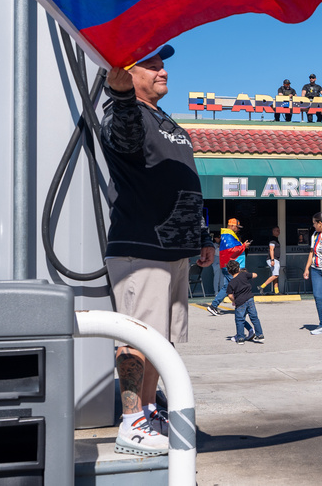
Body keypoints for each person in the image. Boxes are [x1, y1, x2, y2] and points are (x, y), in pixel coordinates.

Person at [101, 44, 214, 456]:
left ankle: (148, 411)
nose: (162, 70)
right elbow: (125, 137)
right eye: (150, 65)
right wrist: (121, 96)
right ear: (127, 75)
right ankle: (131, 421)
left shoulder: (169, 122)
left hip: (175, 251)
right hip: (141, 247)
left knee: (161, 342)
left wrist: (202, 236)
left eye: (162, 64)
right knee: (137, 338)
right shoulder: (123, 113)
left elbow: (186, 181)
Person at [207, 219, 250, 315]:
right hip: (230, 266)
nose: (238, 229)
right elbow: (232, 250)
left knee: (227, 287)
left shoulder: (228, 235)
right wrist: (244, 246)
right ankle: (242, 307)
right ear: (232, 226)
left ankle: (213, 306)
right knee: (238, 286)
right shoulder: (228, 236)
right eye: (237, 227)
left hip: (227, 265)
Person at [226, 261, 263, 344]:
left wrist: (234, 301)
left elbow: (230, 295)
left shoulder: (231, 283)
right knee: (254, 317)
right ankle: (260, 335)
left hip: (240, 302)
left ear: (229, 272)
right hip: (250, 299)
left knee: (240, 320)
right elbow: (255, 275)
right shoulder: (244, 275)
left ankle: (240, 338)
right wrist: (251, 274)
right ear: (239, 269)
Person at [260, 226, 282, 295]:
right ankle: (261, 286)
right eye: (277, 230)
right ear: (273, 231)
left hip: (276, 259)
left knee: (275, 276)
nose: (278, 232)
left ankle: (276, 291)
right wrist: (272, 260)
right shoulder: (272, 240)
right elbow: (271, 249)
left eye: (279, 230)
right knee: (275, 275)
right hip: (273, 259)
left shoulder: (276, 239)